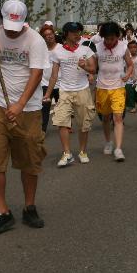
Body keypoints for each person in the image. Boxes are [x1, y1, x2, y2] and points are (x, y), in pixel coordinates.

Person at [0, 0, 50, 237]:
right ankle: (2, 211)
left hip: (28, 108)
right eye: (7, 24)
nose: (10, 31)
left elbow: (37, 74)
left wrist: (20, 104)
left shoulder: (35, 40)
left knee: (29, 159)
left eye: (15, 26)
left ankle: (29, 206)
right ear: (0, 18)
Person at [46, 22, 97, 167]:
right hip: (64, 91)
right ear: (66, 33)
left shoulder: (86, 50)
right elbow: (54, 75)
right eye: (74, 32)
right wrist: (48, 94)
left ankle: (82, 152)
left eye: (79, 32)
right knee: (61, 121)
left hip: (82, 90)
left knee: (83, 125)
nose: (77, 35)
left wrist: (85, 66)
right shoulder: (58, 52)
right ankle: (67, 154)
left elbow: (93, 69)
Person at [92, 21, 133, 162]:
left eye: (112, 38)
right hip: (102, 87)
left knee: (118, 118)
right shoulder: (97, 48)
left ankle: (118, 148)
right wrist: (89, 71)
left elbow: (130, 64)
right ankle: (108, 141)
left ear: (117, 36)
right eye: (106, 39)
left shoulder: (123, 47)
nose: (109, 41)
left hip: (118, 87)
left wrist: (128, 74)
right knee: (105, 118)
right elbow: (92, 66)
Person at [39, 22, 58, 132]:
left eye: (50, 34)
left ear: (54, 34)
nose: (49, 36)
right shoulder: (41, 50)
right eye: (46, 35)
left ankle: (66, 127)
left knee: (63, 110)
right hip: (45, 84)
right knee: (44, 109)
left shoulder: (61, 48)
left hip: (60, 84)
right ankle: (43, 130)